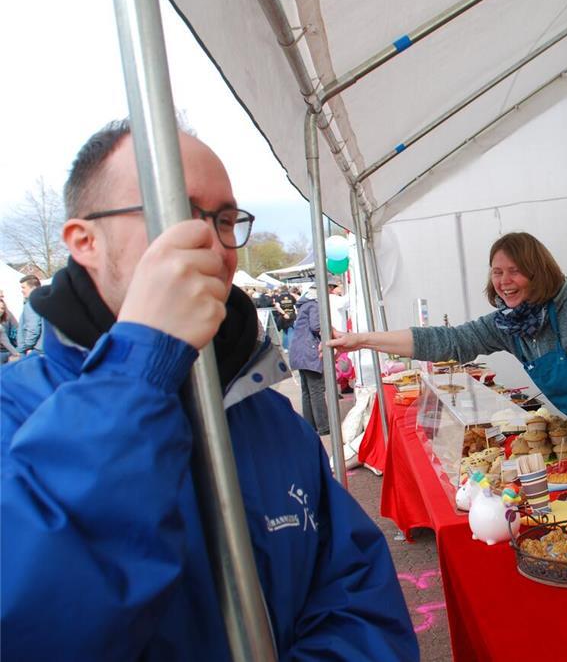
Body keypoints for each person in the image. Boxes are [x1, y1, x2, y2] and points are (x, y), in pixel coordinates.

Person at [0, 120, 417, 661]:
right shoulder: (16, 415)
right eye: (177, 213)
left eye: (225, 220)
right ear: (85, 241)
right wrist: (142, 360)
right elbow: (35, 620)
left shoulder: (265, 411)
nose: (213, 246)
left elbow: (358, 592)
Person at [330, 231, 567, 513]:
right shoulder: (512, 324)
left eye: (514, 271)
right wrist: (364, 339)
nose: (503, 282)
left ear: (538, 270)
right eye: (497, 272)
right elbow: (448, 341)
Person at [289, 276, 345, 438]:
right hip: (309, 352)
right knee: (317, 390)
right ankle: (324, 426)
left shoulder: (305, 303)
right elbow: (316, 326)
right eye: (331, 288)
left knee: (307, 391)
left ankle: (311, 425)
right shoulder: (314, 305)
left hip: (299, 351)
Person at [16, 275, 42, 355]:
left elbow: (33, 329)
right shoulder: (44, 301)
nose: (22, 290)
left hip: (33, 350)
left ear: (33, 288)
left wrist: (27, 347)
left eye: (23, 287)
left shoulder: (32, 303)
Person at [0, 292, 18, 364]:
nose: (1, 310)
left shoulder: (8, 315)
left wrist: (16, 353)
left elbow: (4, 340)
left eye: (2, 308)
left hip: (5, 352)